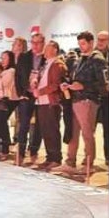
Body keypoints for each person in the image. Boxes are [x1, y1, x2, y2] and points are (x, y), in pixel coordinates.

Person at [53, 31, 108, 176]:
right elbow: (75, 79)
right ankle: (70, 162)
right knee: (73, 132)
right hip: (75, 99)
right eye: (79, 43)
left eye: (83, 43)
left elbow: (103, 84)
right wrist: (67, 85)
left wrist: (83, 86)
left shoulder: (98, 60)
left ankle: (88, 164)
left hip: (88, 100)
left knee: (87, 133)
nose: (81, 46)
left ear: (91, 43)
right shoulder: (80, 59)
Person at [31, 41, 67, 171]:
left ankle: (56, 159)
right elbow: (42, 79)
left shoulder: (57, 64)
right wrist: (36, 81)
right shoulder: (46, 64)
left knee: (52, 130)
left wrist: (40, 91)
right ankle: (49, 157)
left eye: (47, 48)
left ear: (55, 50)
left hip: (51, 102)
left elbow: (55, 85)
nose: (44, 51)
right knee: (45, 131)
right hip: (42, 102)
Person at [14, 32, 45, 166]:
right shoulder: (24, 57)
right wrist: (21, 93)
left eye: (38, 43)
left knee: (38, 126)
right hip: (26, 95)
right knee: (23, 126)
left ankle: (33, 151)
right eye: (33, 42)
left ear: (43, 43)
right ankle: (20, 153)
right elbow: (17, 76)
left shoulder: (46, 57)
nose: (35, 45)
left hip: (41, 96)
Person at [95, 30, 109, 166]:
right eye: (99, 39)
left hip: (106, 98)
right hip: (93, 96)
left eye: (103, 39)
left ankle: (108, 157)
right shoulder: (92, 55)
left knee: (107, 129)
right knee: (88, 130)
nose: (100, 42)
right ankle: (88, 158)